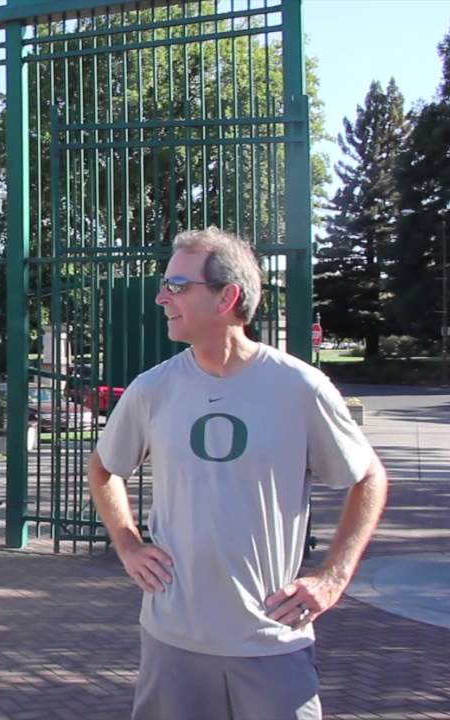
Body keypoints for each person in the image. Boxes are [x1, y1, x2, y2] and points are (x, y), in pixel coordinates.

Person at [87, 228, 388, 720]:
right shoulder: (153, 389)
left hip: (271, 642)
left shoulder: (299, 387)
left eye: (178, 285)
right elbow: (103, 468)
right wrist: (128, 543)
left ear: (227, 296)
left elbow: (369, 478)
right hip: (172, 641)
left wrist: (333, 578)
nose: (162, 297)